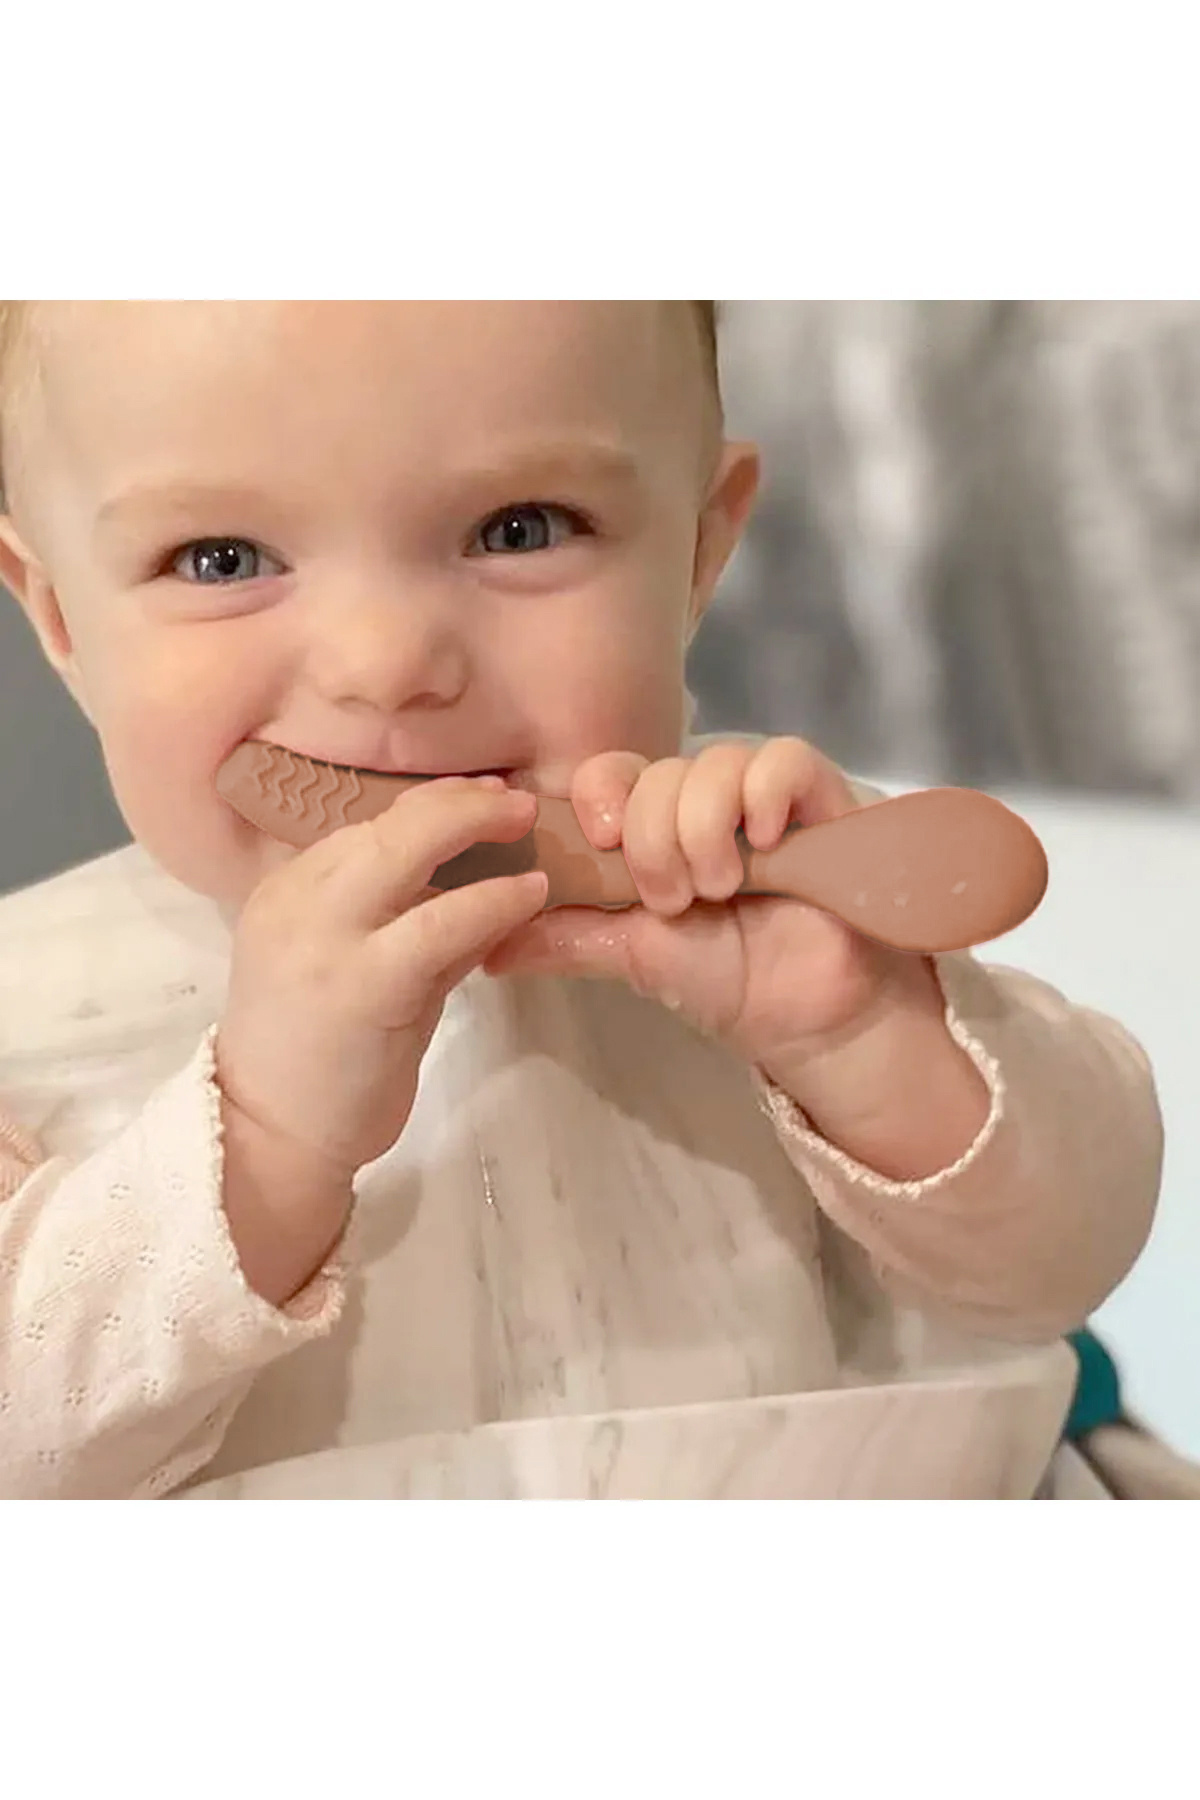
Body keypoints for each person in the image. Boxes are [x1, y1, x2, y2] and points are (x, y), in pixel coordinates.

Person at [0, 301, 1164, 1498]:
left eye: (519, 530)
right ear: (62, 619)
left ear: (698, 554)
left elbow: (1064, 1263)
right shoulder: (24, 1023)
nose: (385, 662)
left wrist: (860, 1036)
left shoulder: (778, 872)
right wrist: (260, 1145)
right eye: (223, 561)